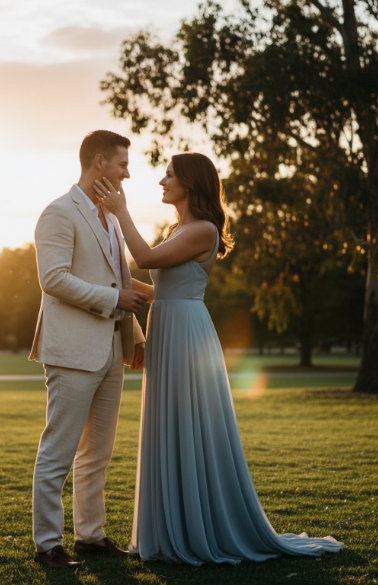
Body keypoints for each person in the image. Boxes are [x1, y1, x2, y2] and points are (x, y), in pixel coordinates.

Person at [93, 152, 344, 565]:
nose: (161, 181)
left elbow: (148, 259)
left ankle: (197, 527)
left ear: (190, 183)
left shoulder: (204, 229)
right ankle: (173, 525)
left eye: (169, 174)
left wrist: (120, 213)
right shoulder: (180, 228)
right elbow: (162, 287)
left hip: (187, 334)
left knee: (190, 420)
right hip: (170, 323)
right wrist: (108, 282)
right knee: (170, 420)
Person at [28, 130, 150, 569]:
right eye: (122, 164)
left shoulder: (112, 219)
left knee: (97, 452)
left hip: (110, 350)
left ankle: (90, 536)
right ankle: (47, 544)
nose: (127, 173)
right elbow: (54, 279)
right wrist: (115, 300)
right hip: (73, 351)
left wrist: (134, 333)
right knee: (58, 451)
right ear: (99, 162)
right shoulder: (59, 213)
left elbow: (119, 279)